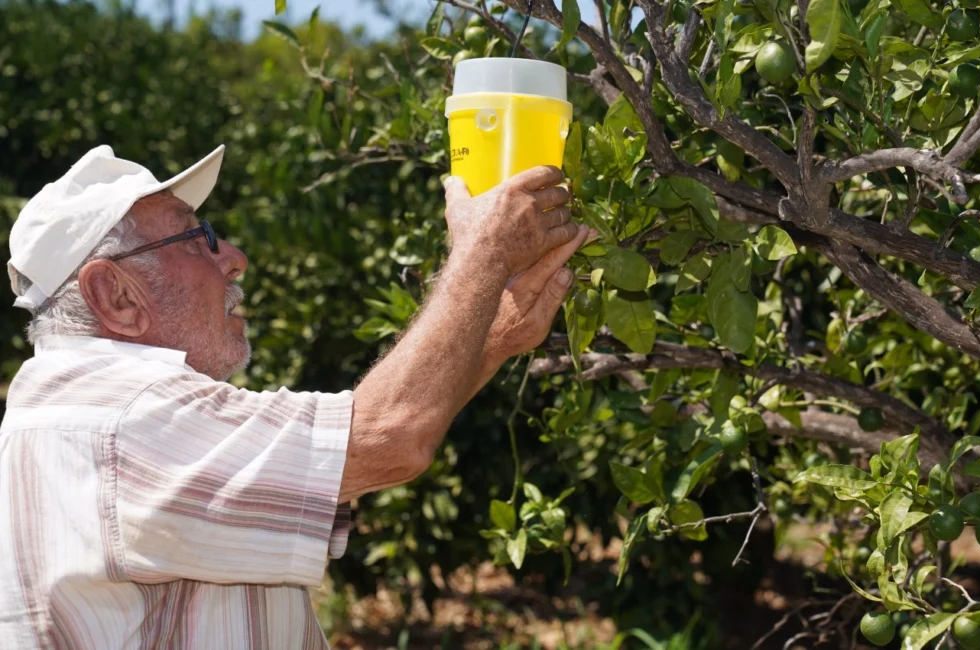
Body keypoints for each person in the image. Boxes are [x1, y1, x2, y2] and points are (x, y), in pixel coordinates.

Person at [0, 144, 589, 649]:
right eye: (196, 236)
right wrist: (483, 252)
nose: (233, 258)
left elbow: (362, 453)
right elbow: (387, 437)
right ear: (116, 295)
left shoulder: (77, 410)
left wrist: (493, 338)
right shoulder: (126, 421)